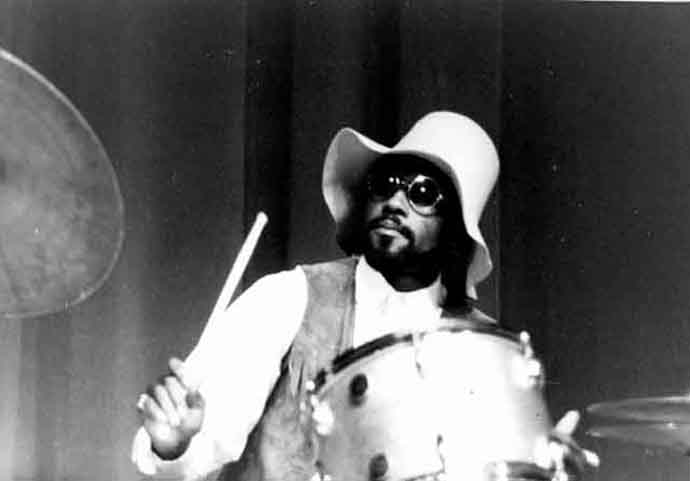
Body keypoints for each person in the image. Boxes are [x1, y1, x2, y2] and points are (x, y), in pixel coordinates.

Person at [132, 111, 597, 481]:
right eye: (385, 184)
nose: (395, 202)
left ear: (456, 229)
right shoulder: (290, 297)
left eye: (422, 193)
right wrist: (173, 442)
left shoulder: (481, 352)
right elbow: (195, 445)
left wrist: (537, 470)